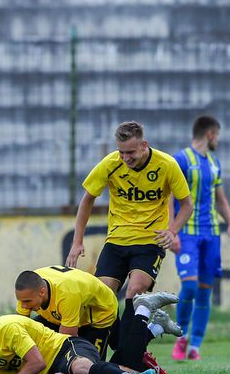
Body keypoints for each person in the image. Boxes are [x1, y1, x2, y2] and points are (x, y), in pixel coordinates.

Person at [65, 121, 193, 352]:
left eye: (131, 152)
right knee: (102, 295)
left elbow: (186, 205)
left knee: (135, 292)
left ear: (144, 145)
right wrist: (77, 242)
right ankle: (147, 332)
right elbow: (87, 199)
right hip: (116, 240)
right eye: (121, 152)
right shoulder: (111, 163)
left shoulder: (167, 165)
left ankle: (124, 350)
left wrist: (172, 230)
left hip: (150, 241)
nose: (125, 158)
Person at [0, 291, 180, 374]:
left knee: (80, 368)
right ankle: (145, 358)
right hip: (51, 372)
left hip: (65, 346)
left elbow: (36, 363)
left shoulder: (7, 329)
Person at [169, 115, 230, 361]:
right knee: (189, 286)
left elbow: (220, 197)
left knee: (204, 291)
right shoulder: (181, 159)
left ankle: (195, 345)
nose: (218, 140)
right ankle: (181, 337)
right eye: (217, 135)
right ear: (210, 134)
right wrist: (171, 230)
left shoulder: (214, 162)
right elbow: (169, 196)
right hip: (186, 233)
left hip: (211, 233)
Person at [14, 265, 120, 357]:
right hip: (67, 311)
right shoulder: (27, 290)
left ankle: (127, 371)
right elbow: (20, 328)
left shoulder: (66, 294)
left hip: (100, 314)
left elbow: (67, 340)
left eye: (27, 301)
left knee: (88, 366)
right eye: (20, 301)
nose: (23, 306)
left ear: (42, 292)